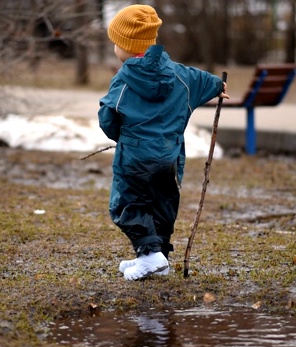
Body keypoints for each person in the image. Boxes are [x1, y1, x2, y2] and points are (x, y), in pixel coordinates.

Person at [98, 4, 228, 281]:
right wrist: (219, 86)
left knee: (127, 205)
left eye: (116, 44)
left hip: (134, 157)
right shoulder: (181, 75)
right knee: (161, 204)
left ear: (127, 47)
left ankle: (149, 256)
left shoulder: (123, 81)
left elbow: (108, 119)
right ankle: (157, 258)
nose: (114, 49)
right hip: (170, 156)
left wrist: (120, 137)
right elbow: (206, 81)